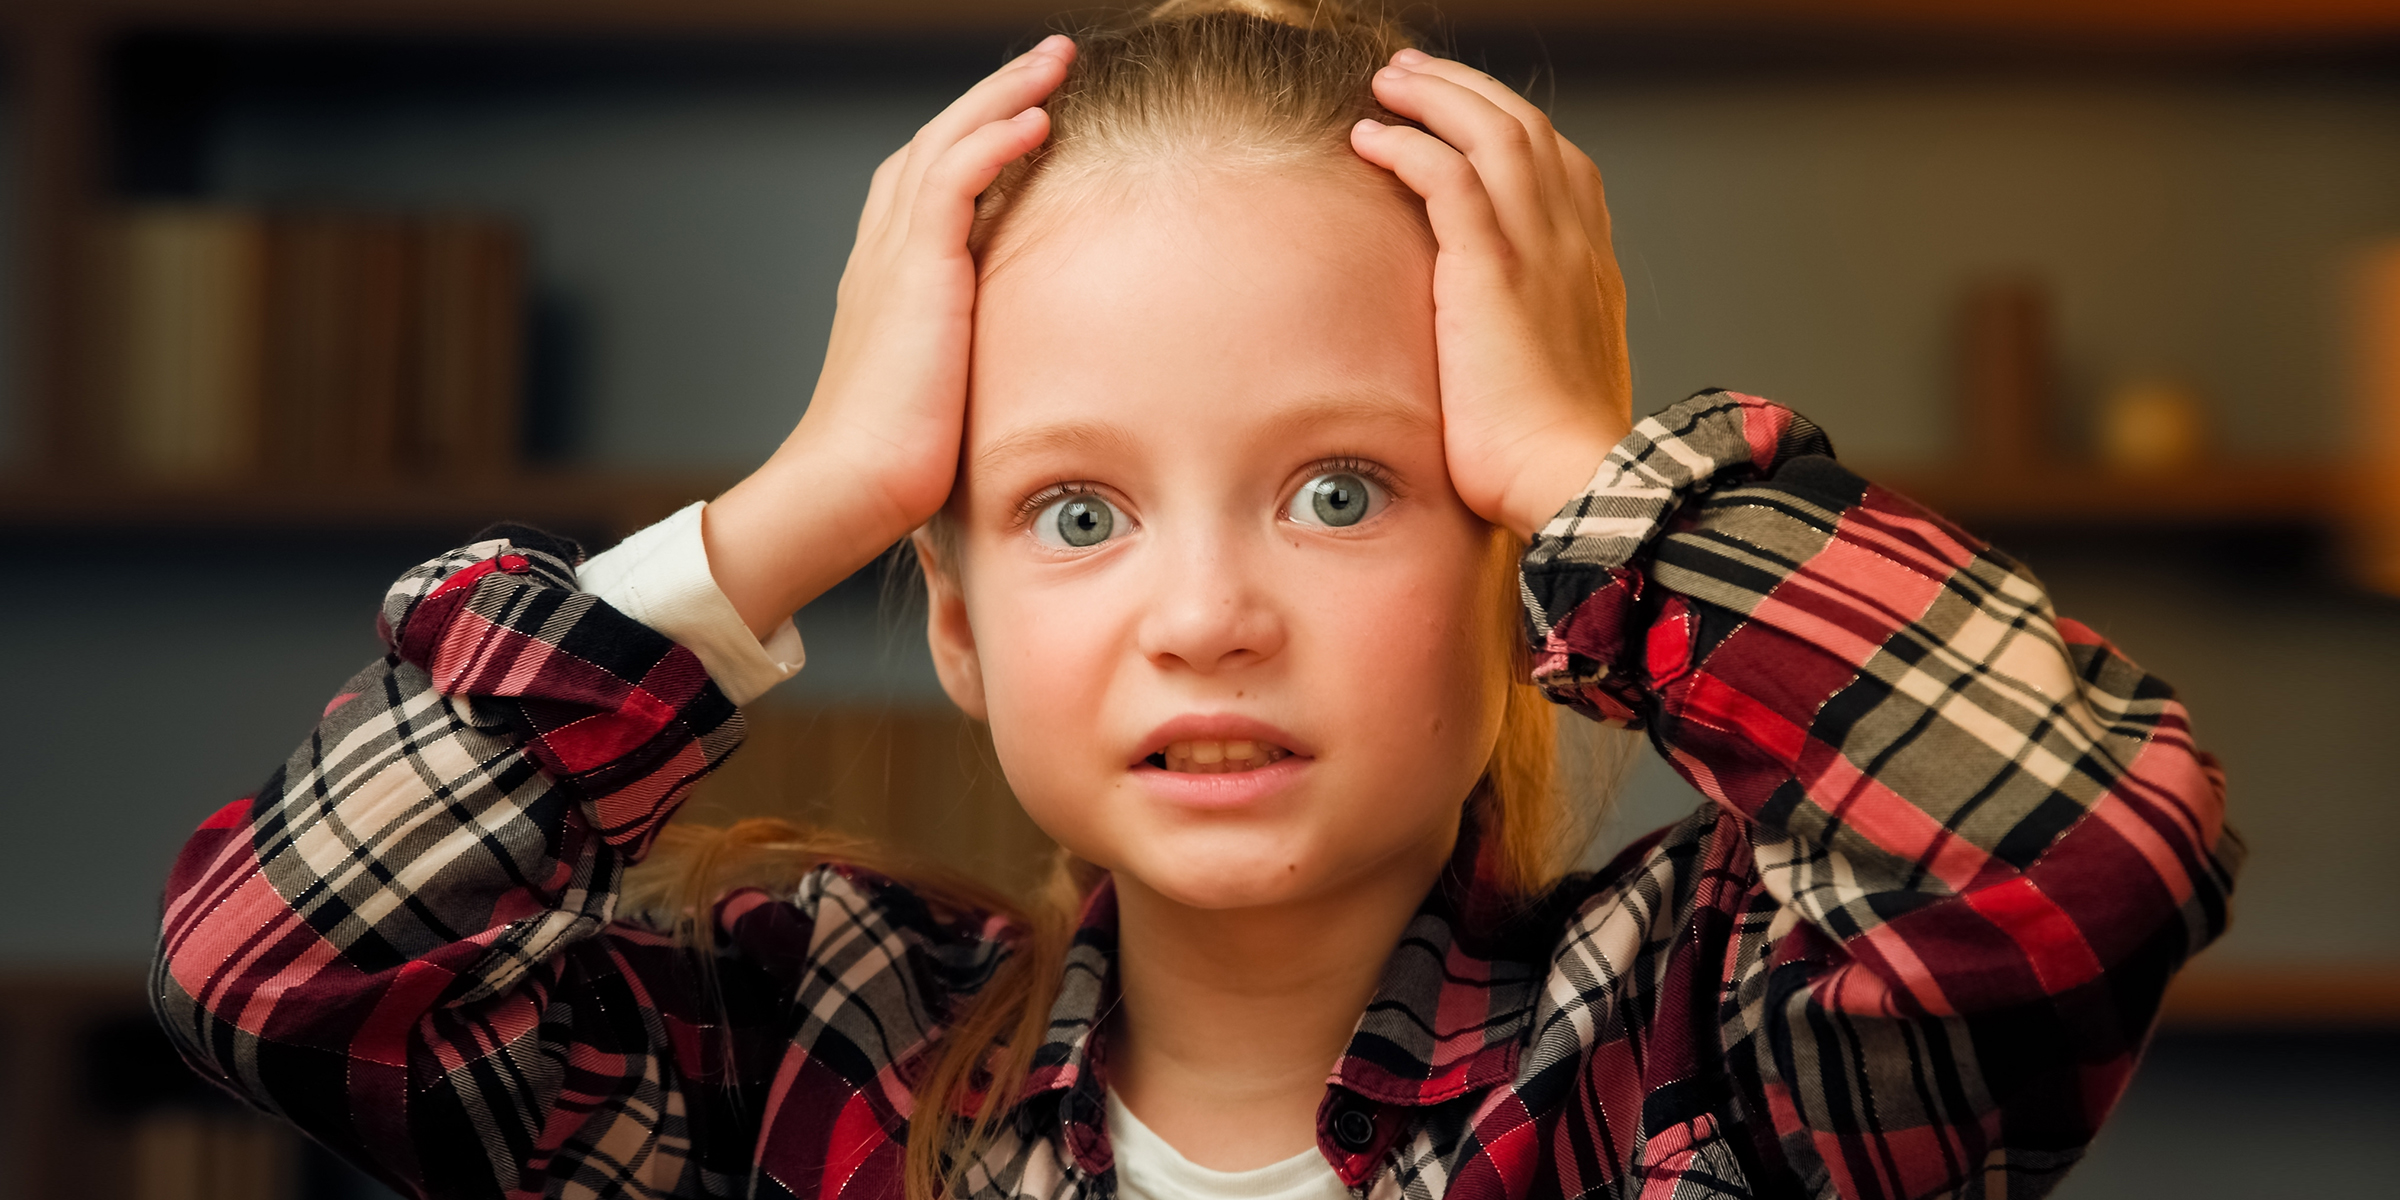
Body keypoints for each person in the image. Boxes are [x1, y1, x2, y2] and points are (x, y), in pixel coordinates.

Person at [150, 3, 2241, 1198]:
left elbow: (2085, 852)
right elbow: (283, 974)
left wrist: (1598, 470)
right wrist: (809, 501)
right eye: (1075, 515)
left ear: (1530, 580)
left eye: (1343, 492)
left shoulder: (1711, 1055)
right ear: (953, 627)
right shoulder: (799, 1059)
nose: (1210, 615)